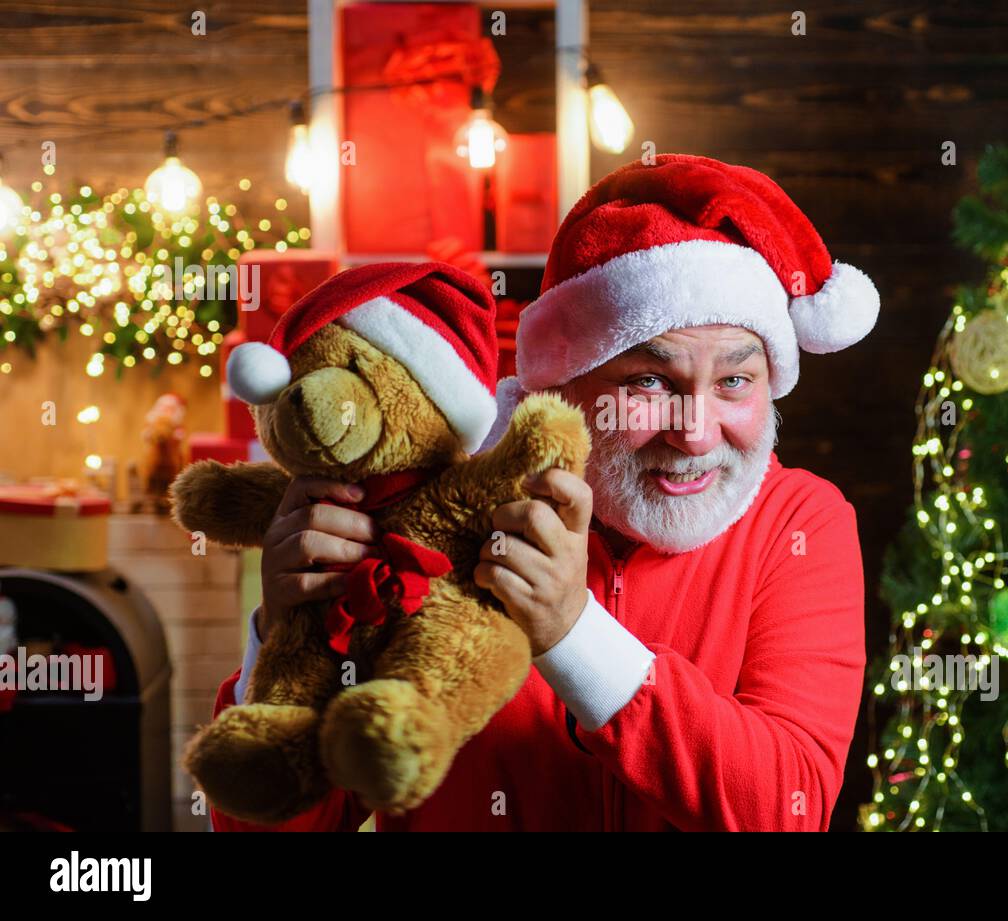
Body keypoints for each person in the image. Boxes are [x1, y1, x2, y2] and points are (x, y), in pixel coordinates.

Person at [207, 152, 880, 831]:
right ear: (560, 387)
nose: (696, 433)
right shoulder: (426, 517)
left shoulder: (800, 521)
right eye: (649, 381)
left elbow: (785, 805)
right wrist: (282, 636)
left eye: (735, 381)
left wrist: (570, 630)